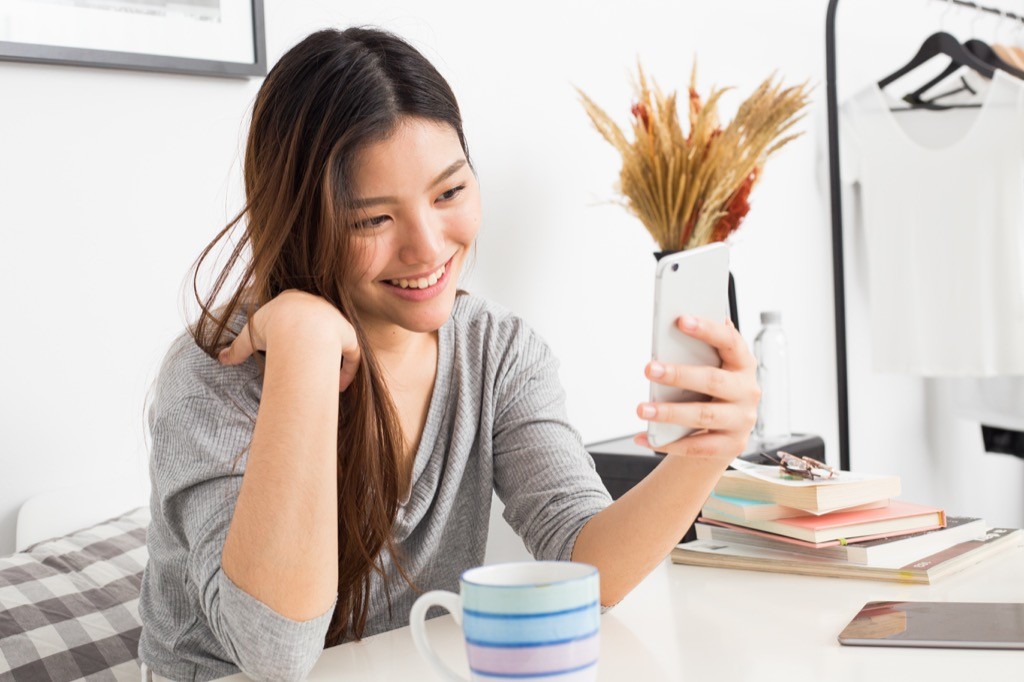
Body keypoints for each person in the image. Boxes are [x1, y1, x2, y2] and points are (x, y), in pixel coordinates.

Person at [137, 26, 759, 682]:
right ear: (301, 220)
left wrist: (706, 452)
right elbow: (273, 655)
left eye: (450, 193)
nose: (428, 246)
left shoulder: (497, 351)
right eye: (372, 219)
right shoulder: (215, 372)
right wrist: (305, 348)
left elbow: (586, 570)